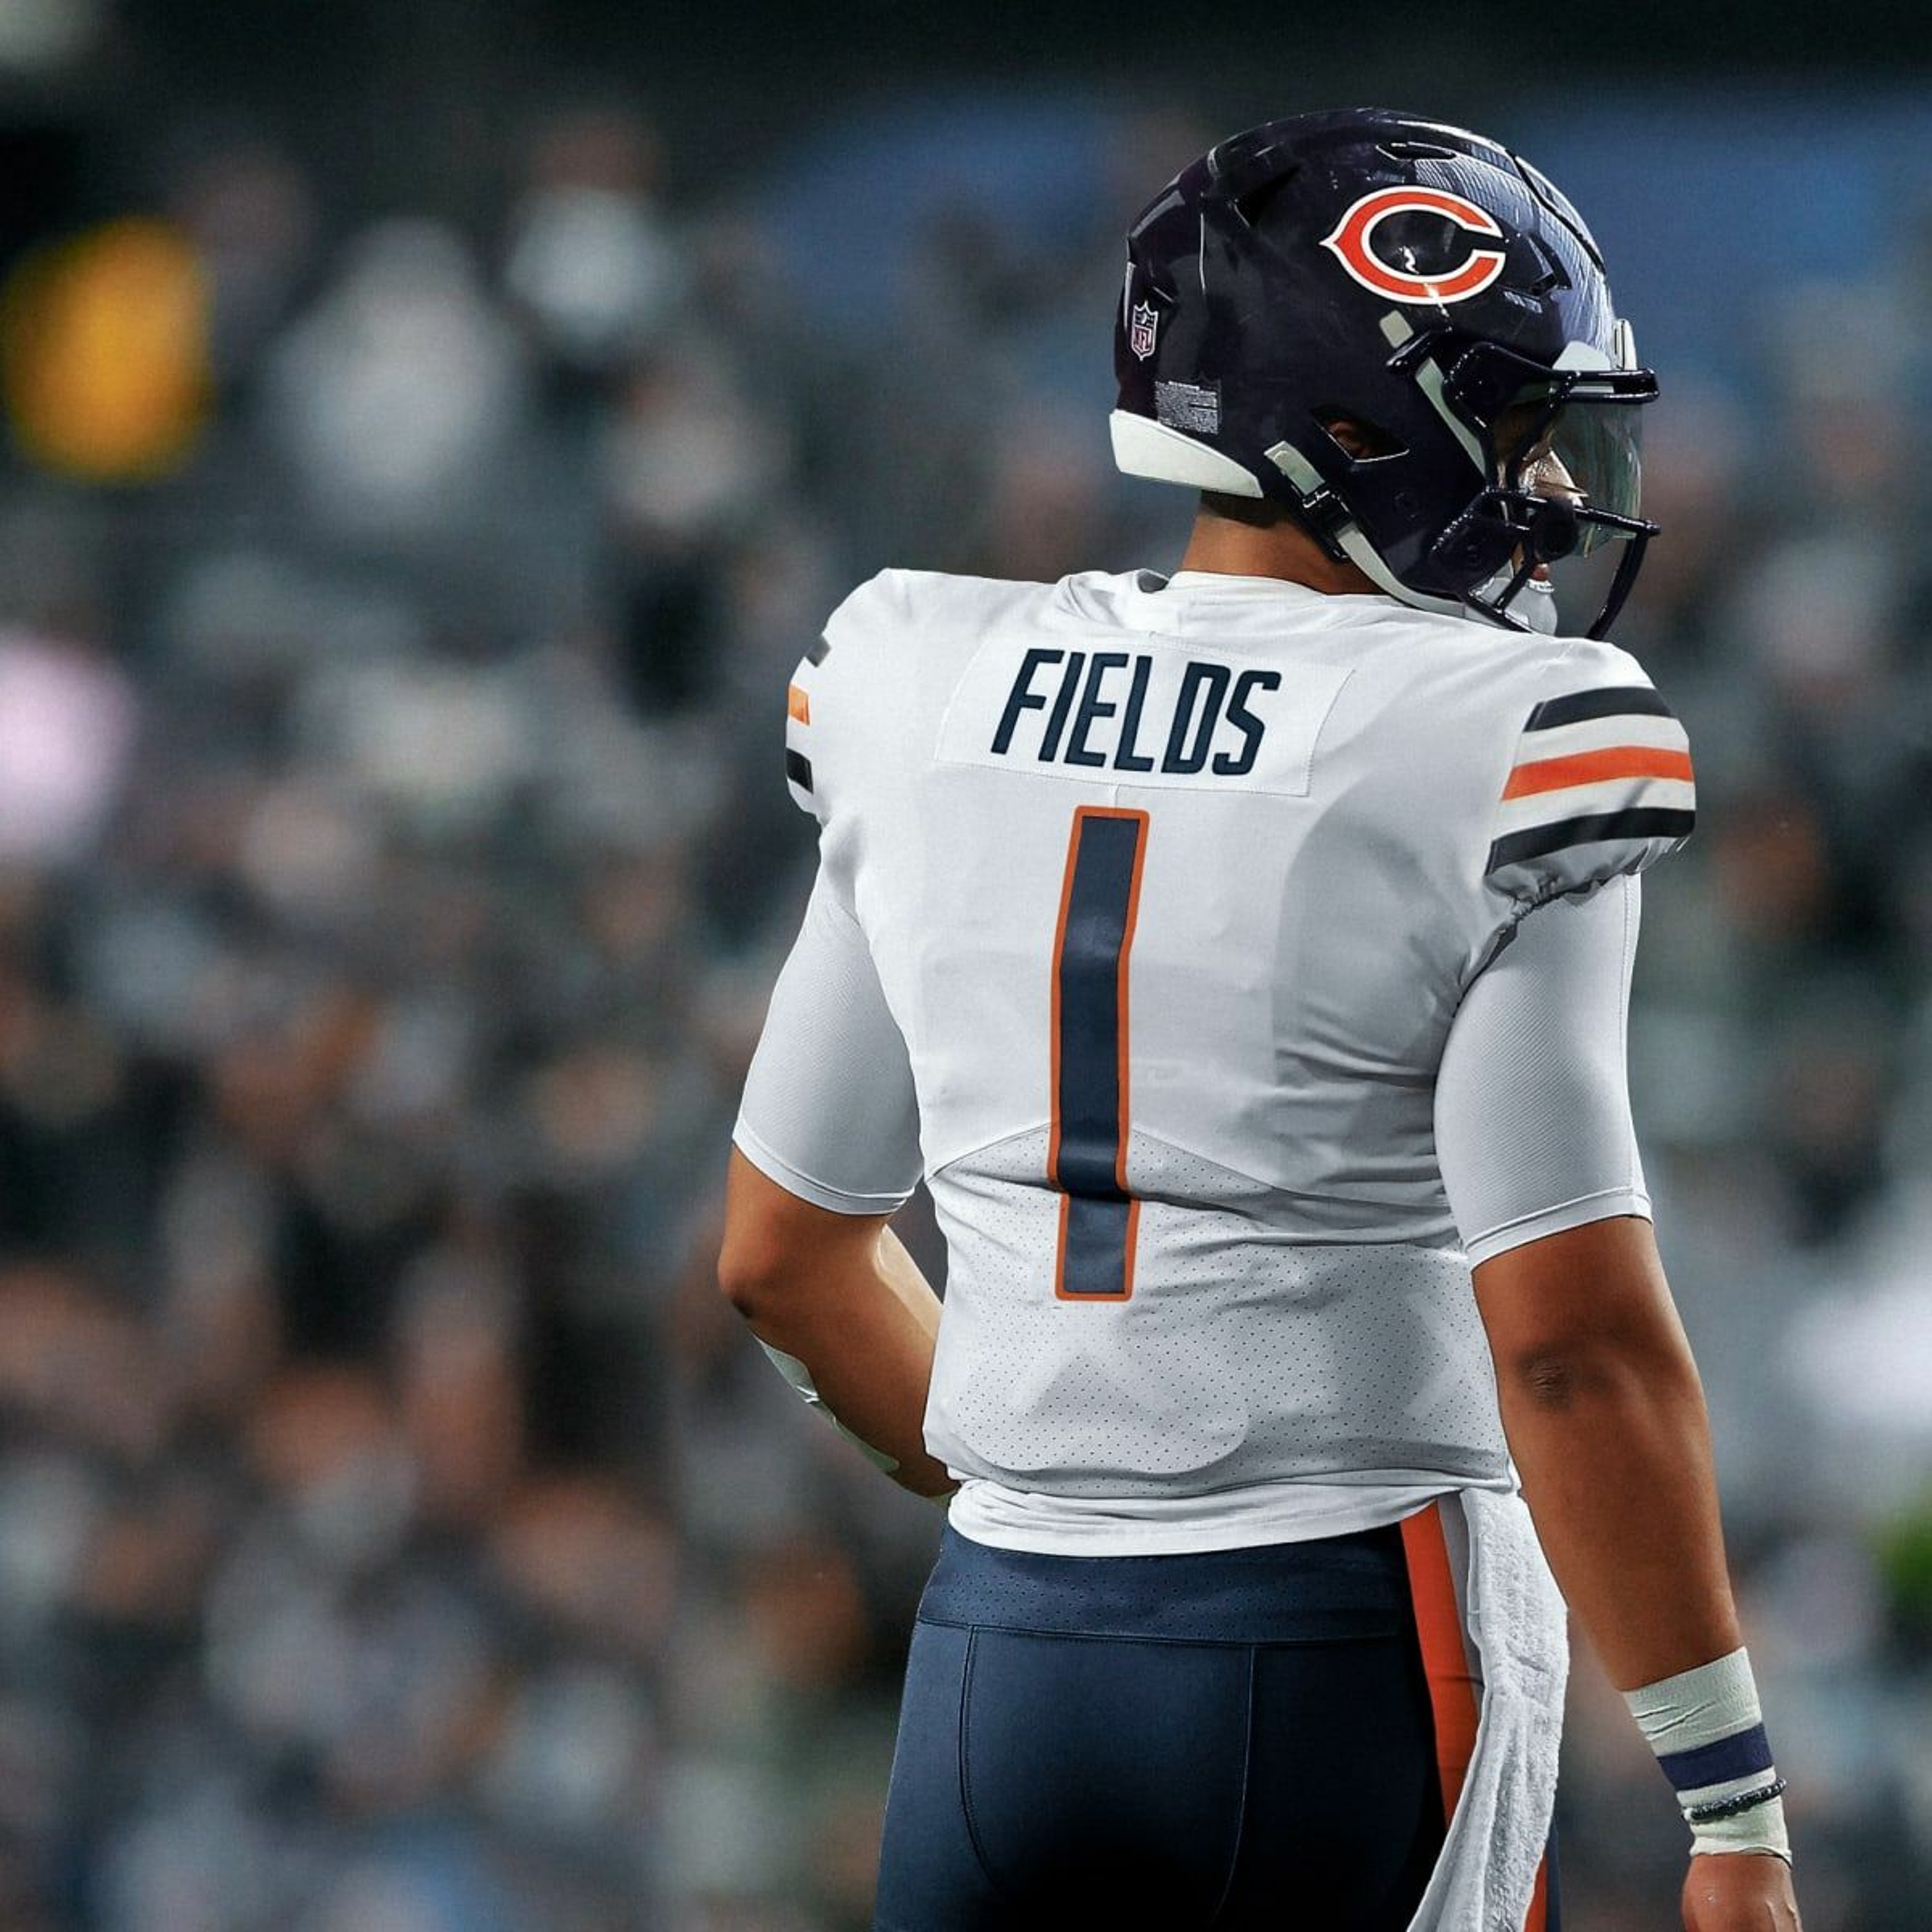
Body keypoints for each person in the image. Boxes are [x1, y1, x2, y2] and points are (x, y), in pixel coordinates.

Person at [717, 109, 1803, 1932]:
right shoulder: (1506, 730)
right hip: (1343, 1630)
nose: (1551, 489)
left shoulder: (916, 677)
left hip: (1002, 1653)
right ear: (1354, 427)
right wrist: (1734, 1808)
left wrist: (1076, 1513)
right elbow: (1569, 1346)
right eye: (1517, 428)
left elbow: (782, 1258)